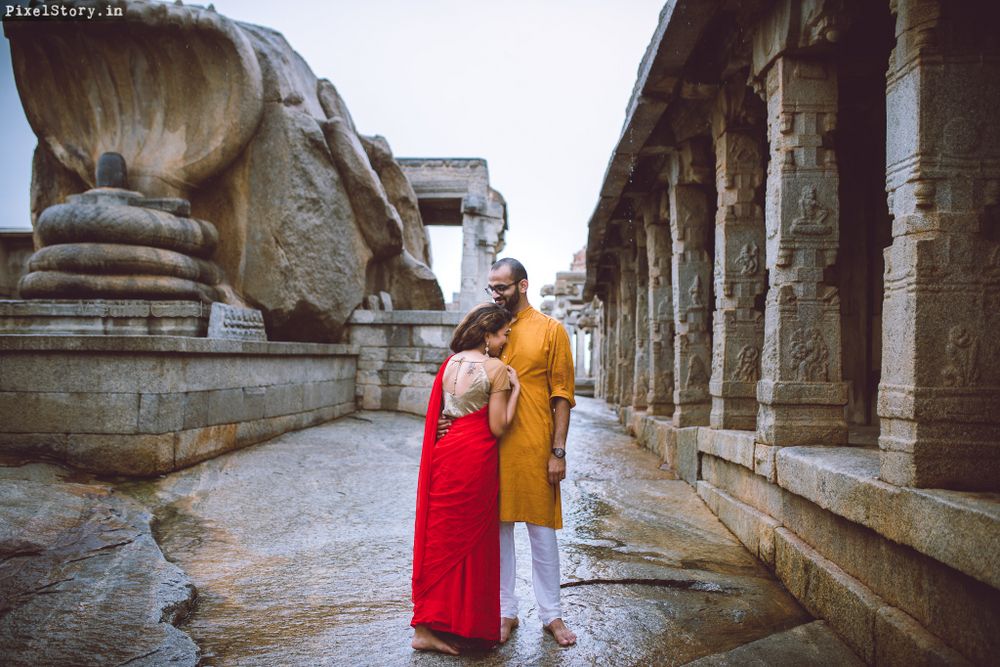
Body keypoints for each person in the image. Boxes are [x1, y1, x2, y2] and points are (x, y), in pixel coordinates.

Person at [439, 257, 578, 647]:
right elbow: (461, 376)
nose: (495, 294)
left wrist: (558, 451)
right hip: (488, 446)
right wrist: (449, 420)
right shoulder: (487, 329)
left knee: (542, 532)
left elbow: (562, 395)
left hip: (535, 446)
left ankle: (552, 614)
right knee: (497, 534)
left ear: (523, 285)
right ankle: (505, 610)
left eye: (502, 287)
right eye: (491, 288)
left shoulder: (551, 331)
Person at [411, 302, 521, 655]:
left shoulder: (450, 363)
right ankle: (465, 625)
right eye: (504, 334)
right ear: (488, 335)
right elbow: (498, 425)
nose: (506, 340)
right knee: (473, 542)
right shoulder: (497, 369)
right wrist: (516, 391)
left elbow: (443, 415)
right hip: (475, 458)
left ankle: (428, 626)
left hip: (446, 455)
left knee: (441, 538)